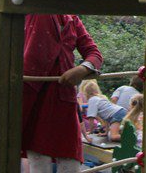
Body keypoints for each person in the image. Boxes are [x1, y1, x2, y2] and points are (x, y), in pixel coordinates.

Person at [21, 14, 103, 173]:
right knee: (39, 161)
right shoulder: (36, 9)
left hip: (64, 98)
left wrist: (83, 69)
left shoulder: (72, 18)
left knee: (71, 161)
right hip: (33, 96)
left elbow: (94, 52)